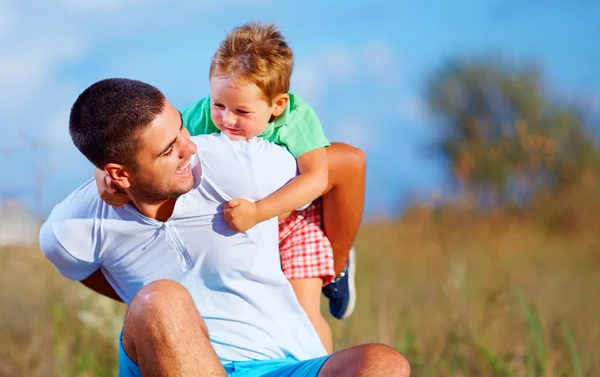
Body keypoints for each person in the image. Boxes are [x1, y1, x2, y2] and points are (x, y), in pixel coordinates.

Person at [41, 78, 410, 377]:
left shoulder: (236, 164)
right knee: (158, 302)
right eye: (168, 150)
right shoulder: (71, 228)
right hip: (171, 364)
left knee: (383, 365)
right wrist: (169, 329)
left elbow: (347, 164)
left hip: (283, 365)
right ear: (118, 175)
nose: (190, 148)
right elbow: (84, 270)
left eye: (182, 128)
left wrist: (336, 264)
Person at [95, 21, 365, 349]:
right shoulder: (199, 115)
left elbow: (316, 177)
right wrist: (102, 173)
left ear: (276, 106)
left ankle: (319, 362)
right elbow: (152, 141)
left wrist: (261, 212)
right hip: (237, 223)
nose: (226, 119)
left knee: (302, 313)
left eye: (241, 111)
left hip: (291, 222)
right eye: (218, 105)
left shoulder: (296, 119)